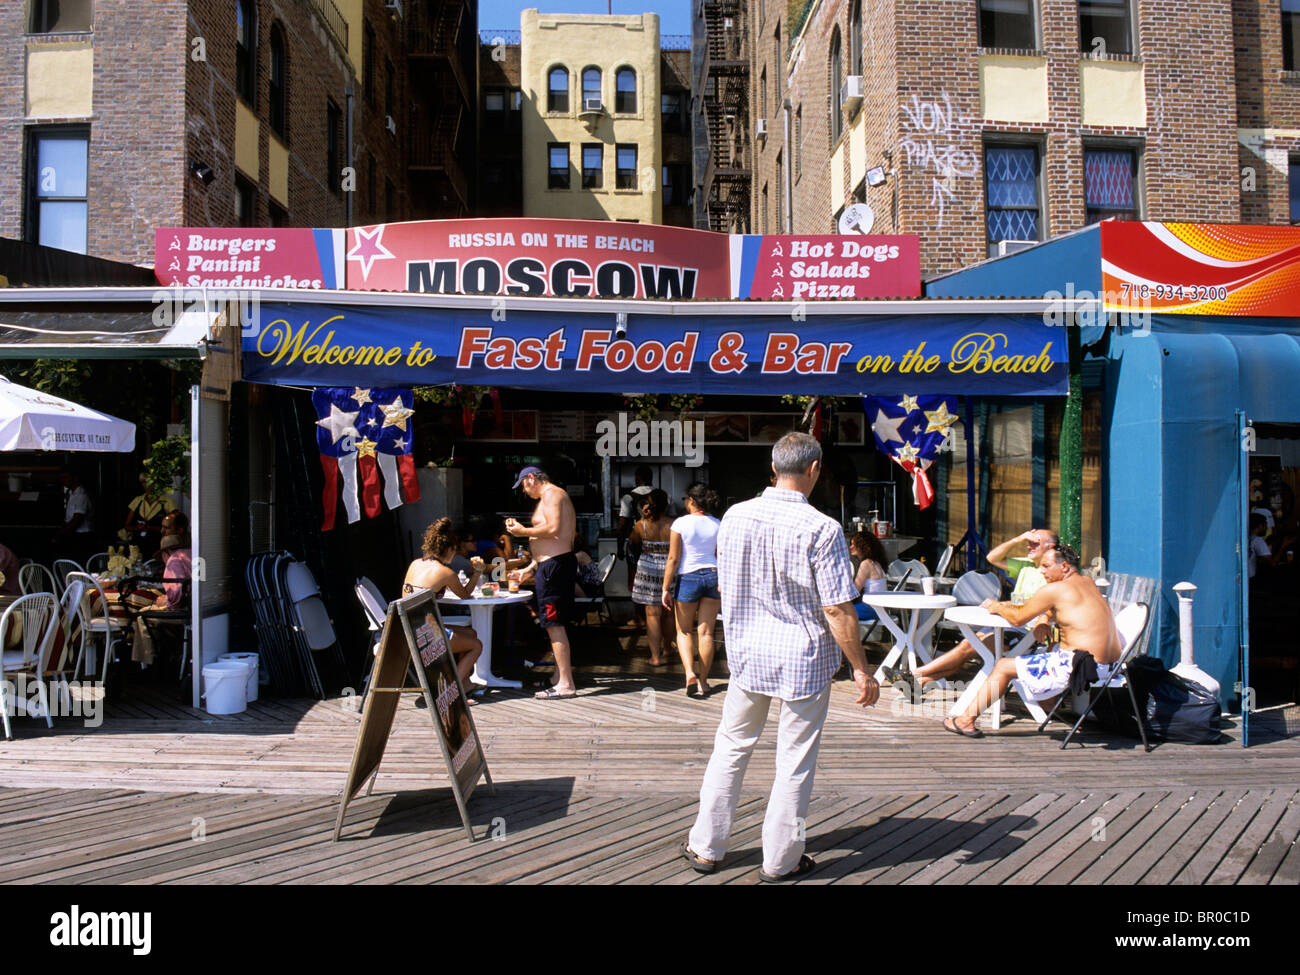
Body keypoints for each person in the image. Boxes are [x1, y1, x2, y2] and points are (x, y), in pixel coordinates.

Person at [682, 433, 879, 882]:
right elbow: (835, 607)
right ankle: (781, 860)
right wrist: (862, 668)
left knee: (731, 748)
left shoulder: (734, 516)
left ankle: (706, 846)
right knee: (794, 760)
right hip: (803, 658)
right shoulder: (822, 528)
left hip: (749, 653)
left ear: (774, 468)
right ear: (814, 470)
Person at [942, 543, 1121, 738]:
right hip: (1110, 667)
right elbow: (1056, 608)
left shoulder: (1054, 589)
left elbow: (1018, 618)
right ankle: (1046, 705)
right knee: (1037, 655)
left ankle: (965, 721)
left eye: (1045, 566)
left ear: (1064, 567)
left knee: (1003, 666)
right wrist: (1044, 619)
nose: (1040, 571)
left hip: (1081, 666)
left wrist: (997, 606)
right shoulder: (1087, 582)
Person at [886, 527, 1058, 696]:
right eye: (1027, 543)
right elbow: (992, 557)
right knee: (966, 647)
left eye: (1034, 543)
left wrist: (1003, 606)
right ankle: (919, 682)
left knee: (968, 647)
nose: (1029, 546)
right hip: (1007, 625)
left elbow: (1045, 604)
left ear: (1050, 547)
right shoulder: (1026, 566)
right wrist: (1017, 539)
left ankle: (914, 675)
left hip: (1027, 635)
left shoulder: (1052, 574)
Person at [505, 466, 579, 699]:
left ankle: (566, 684)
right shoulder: (553, 495)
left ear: (531, 479)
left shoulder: (552, 494)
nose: (524, 492)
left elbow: (554, 529)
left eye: (524, 486)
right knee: (556, 624)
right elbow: (550, 543)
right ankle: (559, 677)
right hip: (552, 566)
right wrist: (529, 569)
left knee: (554, 624)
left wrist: (521, 531)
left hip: (554, 568)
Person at [401, 518, 485, 686]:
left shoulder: (415, 563)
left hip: (406, 628)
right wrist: (477, 572)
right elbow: (465, 595)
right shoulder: (445, 572)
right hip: (426, 635)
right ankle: (451, 689)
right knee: (476, 645)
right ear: (449, 549)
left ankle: (465, 683)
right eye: (454, 551)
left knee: (471, 633)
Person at [661, 482, 723, 696]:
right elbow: (721, 555)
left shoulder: (680, 524)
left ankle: (689, 674)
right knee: (706, 632)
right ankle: (704, 682)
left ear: (692, 501)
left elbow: (673, 558)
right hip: (713, 576)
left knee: (684, 630)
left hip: (688, 577)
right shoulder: (717, 523)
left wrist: (665, 588)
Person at [629, 488, 674, 667]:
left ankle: (655, 657)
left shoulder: (642, 525)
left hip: (648, 568)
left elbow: (633, 541)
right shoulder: (674, 524)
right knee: (669, 612)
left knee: (652, 614)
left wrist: (642, 518)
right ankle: (667, 648)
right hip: (670, 567)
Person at [618, 465, 656, 591]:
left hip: (636, 544)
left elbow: (622, 525)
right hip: (657, 543)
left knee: (635, 580)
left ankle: (639, 605)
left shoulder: (628, 498)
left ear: (637, 478)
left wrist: (620, 548)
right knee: (655, 580)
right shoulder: (663, 496)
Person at [121, 473, 176, 551]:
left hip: (158, 546)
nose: (147, 485)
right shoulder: (138, 500)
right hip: (137, 546)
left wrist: (150, 528)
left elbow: (174, 527)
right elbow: (127, 525)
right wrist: (137, 528)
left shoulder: (167, 501)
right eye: (144, 482)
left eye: (150, 482)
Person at [848, 532, 887, 623]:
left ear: (862, 546)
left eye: (854, 544)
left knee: (836, 612)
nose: (851, 547)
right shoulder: (876, 563)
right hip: (880, 609)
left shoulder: (866, 564)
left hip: (870, 609)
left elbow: (854, 591)